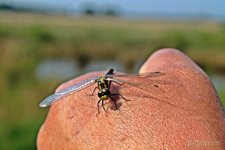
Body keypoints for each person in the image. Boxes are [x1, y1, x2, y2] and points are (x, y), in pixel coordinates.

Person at [37, 49, 225, 149]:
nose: (105, 96)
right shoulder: (100, 92)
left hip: (109, 75)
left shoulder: (111, 87)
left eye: (105, 93)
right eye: (103, 94)